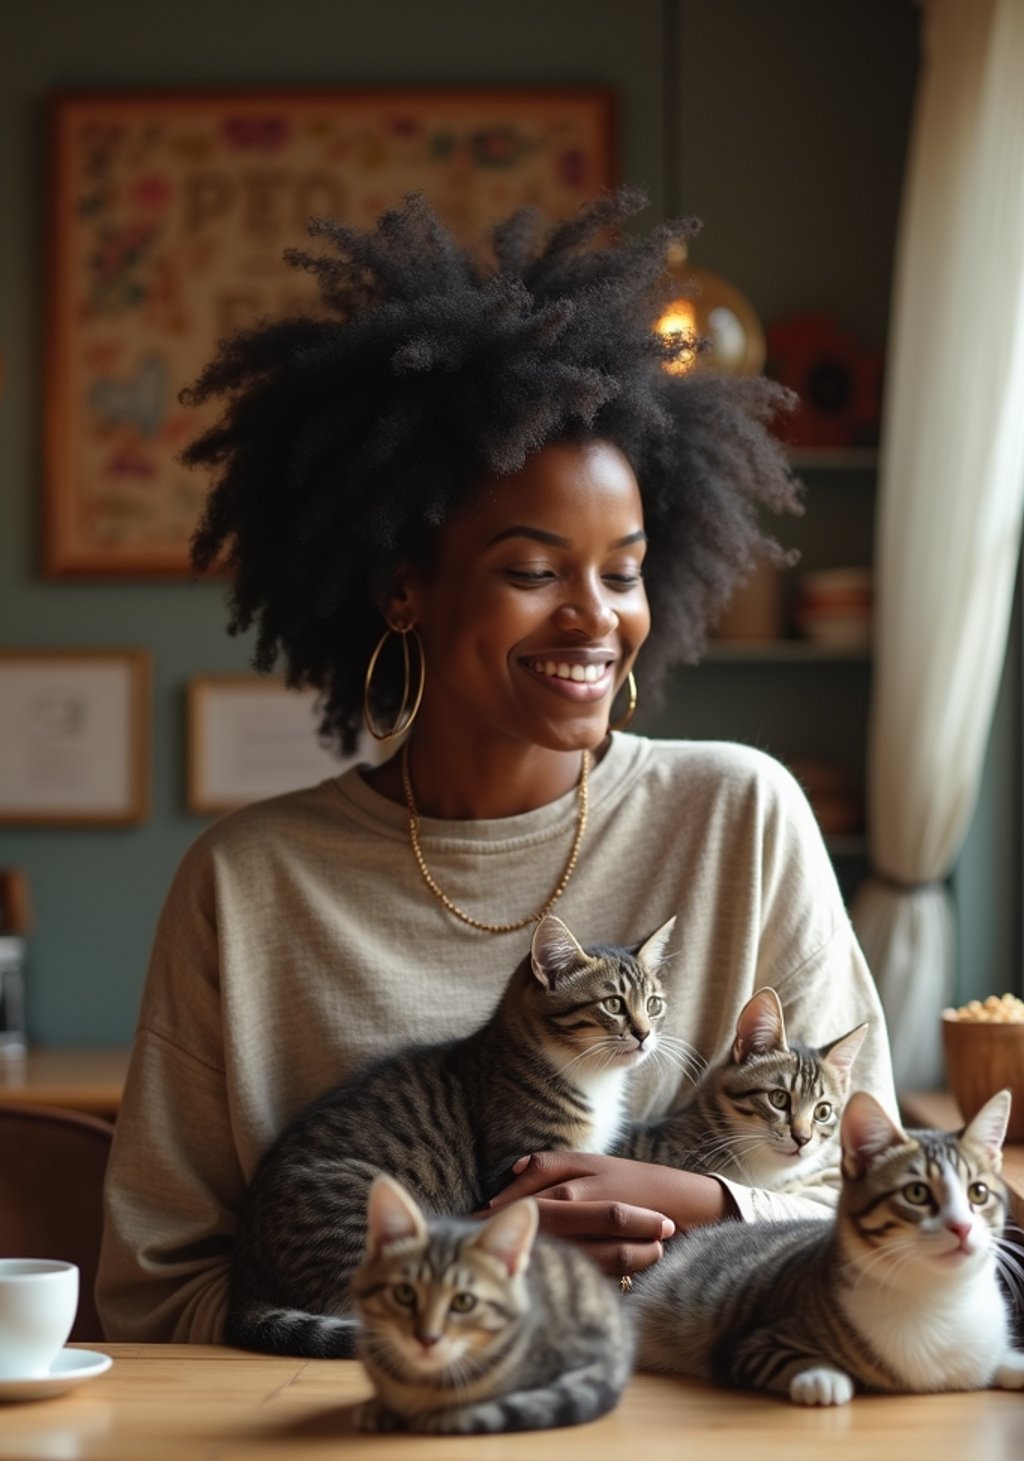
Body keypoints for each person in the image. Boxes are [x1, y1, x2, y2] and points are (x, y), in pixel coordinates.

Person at [96, 189, 896, 1345]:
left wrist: (708, 1201)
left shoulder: (738, 814)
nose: (595, 618)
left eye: (621, 573)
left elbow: (863, 1195)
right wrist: (450, 1287)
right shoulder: (247, 884)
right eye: (532, 570)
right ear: (404, 588)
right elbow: (154, 1296)